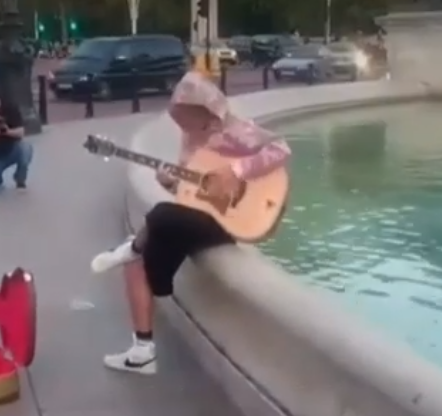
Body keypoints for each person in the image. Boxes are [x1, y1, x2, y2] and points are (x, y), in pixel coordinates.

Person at [89, 71, 291, 374]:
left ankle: (132, 246)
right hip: (200, 217)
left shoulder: (234, 129)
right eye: (178, 115)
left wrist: (236, 171)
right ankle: (142, 351)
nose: (181, 122)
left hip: (233, 220)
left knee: (159, 216)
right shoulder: (189, 138)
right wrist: (169, 182)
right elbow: (194, 191)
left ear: (205, 111)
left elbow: (281, 150)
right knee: (140, 258)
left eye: (186, 115)